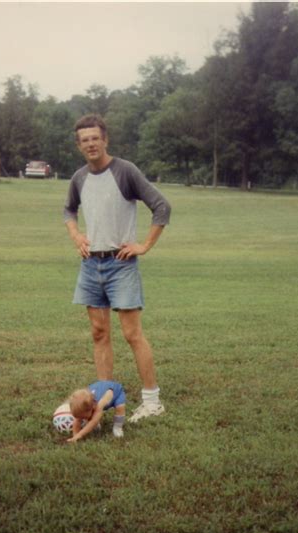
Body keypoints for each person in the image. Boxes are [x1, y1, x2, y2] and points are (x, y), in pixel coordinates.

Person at [63, 114, 171, 423]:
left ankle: (152, 401)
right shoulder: (79, 177)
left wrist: (144, 245)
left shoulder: (125, 171)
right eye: (85, 140)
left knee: (132, 334)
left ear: (105, 139)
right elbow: (68, 209)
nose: (91, 143)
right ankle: (104, 398)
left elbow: (162, 206)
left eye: (95, 138)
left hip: (121, 264)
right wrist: (76, 235)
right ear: (79, 145)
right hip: (90, 265)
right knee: (99, 333)